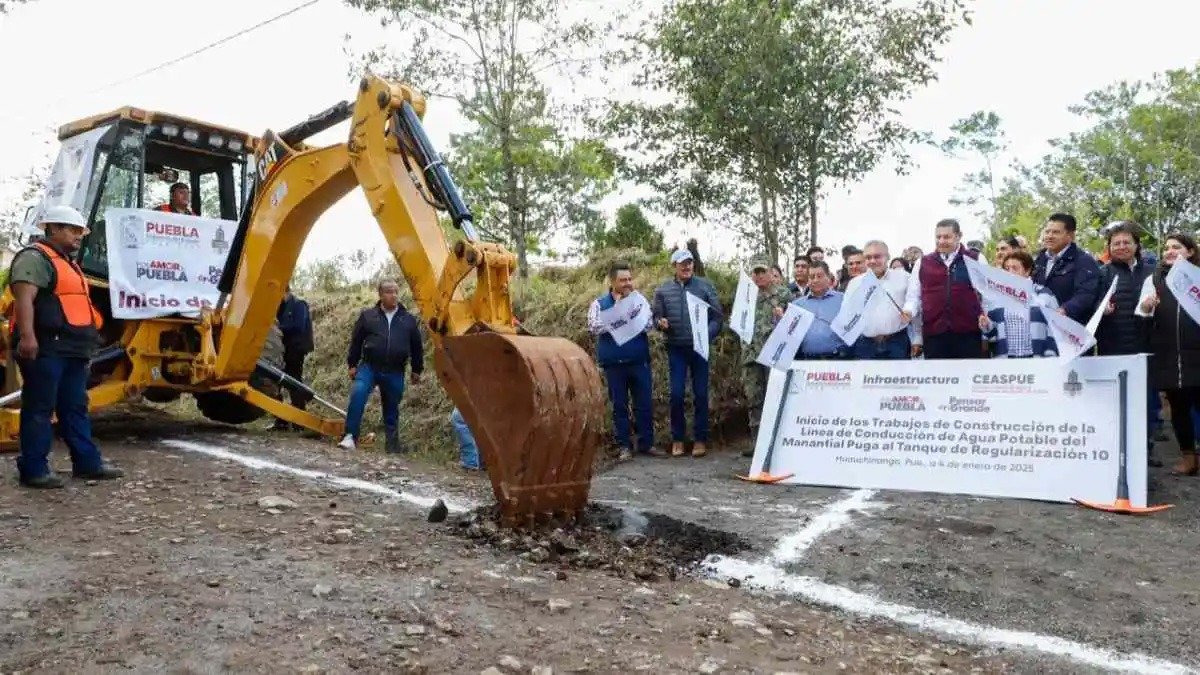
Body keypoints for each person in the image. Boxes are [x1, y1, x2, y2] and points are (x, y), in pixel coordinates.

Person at [7, 205, 123, 488]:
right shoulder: (35, 258)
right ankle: (34, 469)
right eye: (72, 230)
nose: (78, 236)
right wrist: (27, 337)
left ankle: (88, 464)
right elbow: (24, 299)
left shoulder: (66, 261)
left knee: (74, 407)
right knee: (40, 407)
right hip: (46, 348)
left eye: (80, 231)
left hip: (71, 349)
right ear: (53, 228)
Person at [1095, 223, 1162, 465]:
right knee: (1118, 403)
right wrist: (1103, 310)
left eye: (1126, 242)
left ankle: (1145, 450)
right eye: (1116, 243)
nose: (1122, 247)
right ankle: (1118, 451)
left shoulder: (1153, 272)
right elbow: (1092, 309)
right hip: (1113, 347)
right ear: (1109, 248)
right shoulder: (1102, 273)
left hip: (1147, 346)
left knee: (1145, 403)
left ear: (1136, 246)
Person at [1138, 233, 1200, 476]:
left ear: (1191, 252)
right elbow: (1141, 311)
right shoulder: (1154, 279)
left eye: (1176, 247)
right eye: (1167, 248)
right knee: (1178, 406)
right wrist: (1147, 305)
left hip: (1197, 354)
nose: (1169, 251)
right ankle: (1188, 458)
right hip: (1168, 354)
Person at [652, 248, 723, 458]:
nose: (687, 266)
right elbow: (656, 317)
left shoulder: (705, 286)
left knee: (700, 394)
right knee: (676, 394)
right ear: (674, 266)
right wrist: (660, 323)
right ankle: (678, 439)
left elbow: (717, 318)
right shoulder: (663, 290)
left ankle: (700, 439)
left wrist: (705, 335)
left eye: (690, 263)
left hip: (700, 349)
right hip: (677, 348)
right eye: (682, 263)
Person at [339, 279, 424, 453]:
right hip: (369, 366)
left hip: (395, 370)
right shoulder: (368, 316)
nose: (393, 295)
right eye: (388, 291)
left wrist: (417, 369)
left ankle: (392, 445)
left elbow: (417, 346)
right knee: (358, 394)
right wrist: (352, 364)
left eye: (395, 291)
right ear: (380, 294)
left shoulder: (407, 319)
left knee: (392, 407)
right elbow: (356, 341)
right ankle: (350, 436)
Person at [588, 261, 659, 461]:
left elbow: (648, 324)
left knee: (644, 404)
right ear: (612, 282)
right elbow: (594, 327)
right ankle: (624, 446)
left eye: (629, 279)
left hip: (638, 360)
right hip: (614, 364)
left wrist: (629, 318)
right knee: (619, 406)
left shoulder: (639, 301)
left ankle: (646, 444)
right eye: (623, 280)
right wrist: (618, 313)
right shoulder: (599, 304)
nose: (628, 283)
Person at [903, 219, 983, 359]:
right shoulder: (923, 262)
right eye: (938, 237)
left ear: (959, 236)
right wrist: (909, 311)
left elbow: (986, 295)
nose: (941, 241)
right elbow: (914, 297)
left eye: (946, 237)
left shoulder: (976, 259)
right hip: (934, 335)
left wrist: (987, 329)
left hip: (968, 334)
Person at [741, 256, 794, 454]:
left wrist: (784, 317)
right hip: (750, 354)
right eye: (755, 272)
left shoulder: (783, 294)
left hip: (774, 354)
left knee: (775, 397)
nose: (759, 276)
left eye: (763, 271)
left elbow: (793, 325)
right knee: (754, 398)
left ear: (771, 272)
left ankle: (777, 442)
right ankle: (757, 442)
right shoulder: (746, 295)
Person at [978, 251, 1058, 358]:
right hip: (1006, 362)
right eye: (1007, 268)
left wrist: (1050, 354)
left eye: (1015, 268)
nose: (1010, 272)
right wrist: (986, 325)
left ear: (1027, 271)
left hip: (1038, 360)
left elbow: (1056, 328)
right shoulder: (996, 296)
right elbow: (991, 335)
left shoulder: (1043, 294)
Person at [850, 241, 915, 360]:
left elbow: (914, 299)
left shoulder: (903, 277)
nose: (872, 261)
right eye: (868, 257)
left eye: (877, 256)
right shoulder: (855, 284)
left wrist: (909, 310)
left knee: (898, 378)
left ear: (888, 257)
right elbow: (848, 313)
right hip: (866, 344)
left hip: (897, 342)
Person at [1033, 213, 1100, 323]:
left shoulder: (1083, 261)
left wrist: (1065, 310)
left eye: (1056, 232)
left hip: (1069, 326)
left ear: (1071, 236)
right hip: (1041, 324)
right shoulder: (1039, 259)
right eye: (1047, 231)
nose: (1049, 236)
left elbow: (1086, 294)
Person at [273, 285, 314, 429]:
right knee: (275, 382)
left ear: (285, 291)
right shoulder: (280, 306)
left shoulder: (299, 305)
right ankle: (280, 420)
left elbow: (299, 326)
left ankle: (299, 421)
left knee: (294, 383)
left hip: (296, 349)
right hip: (282, 349)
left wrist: (277, 327)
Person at [791, 262, 845, 360]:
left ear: (828, 277)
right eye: (811, 277)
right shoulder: (797, 305)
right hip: (807, 362)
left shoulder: (843, 300)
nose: (815, 280)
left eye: (819, 276)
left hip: (838, 361)